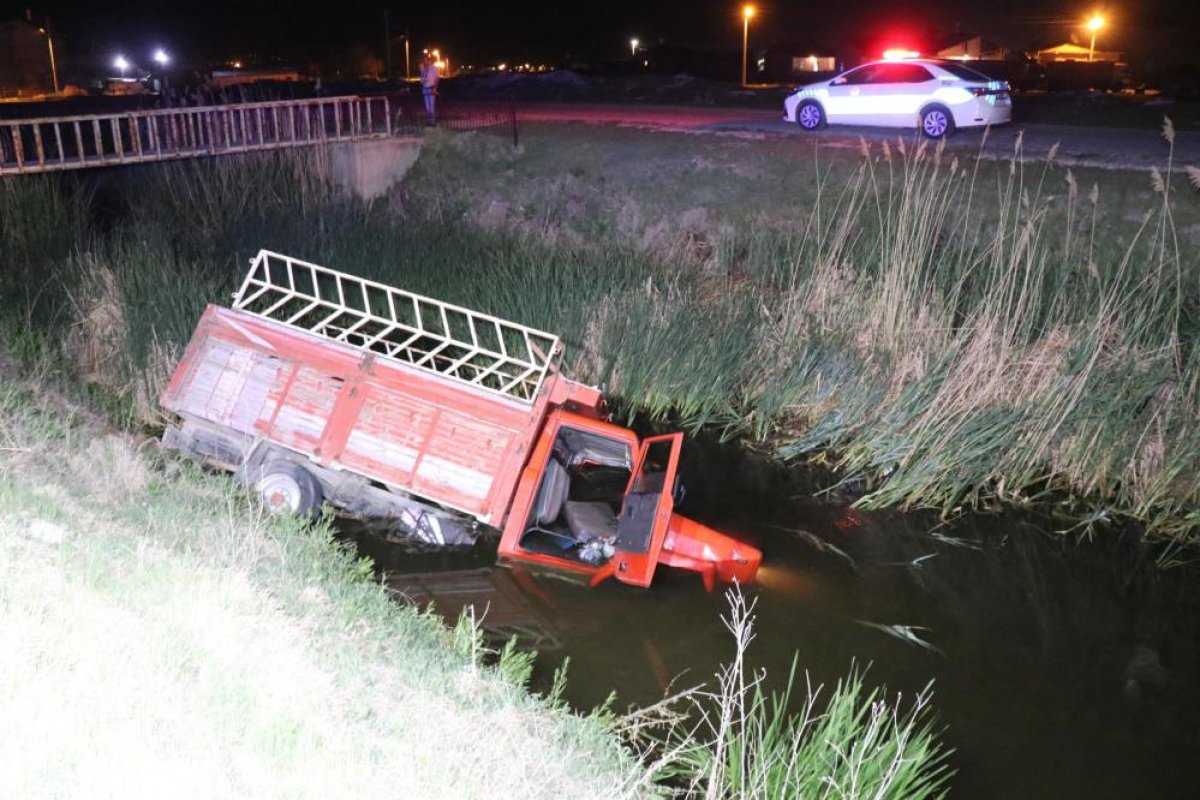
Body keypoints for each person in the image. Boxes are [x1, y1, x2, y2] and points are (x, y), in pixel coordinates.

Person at [419, 54, 440, 125]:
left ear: (429, 60)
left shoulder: (434, 68)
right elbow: (421, 80)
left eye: (425, 60)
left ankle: (433, 121)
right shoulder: (423, 69)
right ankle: (429, 120)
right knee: (427, 106)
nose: (424, 62)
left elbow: (437, 79)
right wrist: (422, 80)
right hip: (425, 88)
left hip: (431, 88)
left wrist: (435, 88)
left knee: (432, 105)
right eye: (423, 61)